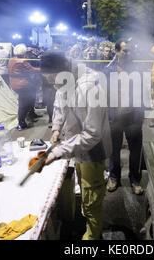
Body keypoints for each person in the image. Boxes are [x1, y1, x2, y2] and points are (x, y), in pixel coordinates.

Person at [42, 53, 112, 240]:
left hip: (93, 150)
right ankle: (88, 220)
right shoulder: (65, 80)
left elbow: (92, 134)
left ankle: (92, 236)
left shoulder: (91, 86)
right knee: (83, 187)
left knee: (92, 197)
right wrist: (56, 128)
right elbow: (59, 104)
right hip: (77, 147)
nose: (52, 85)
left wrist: (59, 151)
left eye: (52, 79)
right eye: (48, 80)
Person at [105, 39, 145, 195]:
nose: (129, 53)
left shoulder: (137, 69)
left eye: (129, 51)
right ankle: (114, 177)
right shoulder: (108, 69)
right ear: (116, 51)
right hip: (114, 118)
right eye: (125, 51)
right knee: (113, 150)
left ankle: (135, 180)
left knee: (135, 151)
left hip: (133, 117)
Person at [8, 44, 40, 131]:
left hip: (14, 84)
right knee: (23, 105)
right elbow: (32, 70)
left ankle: (29, 116)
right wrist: (42, 68)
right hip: (23, 85)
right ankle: (21, 123)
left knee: (27, 101)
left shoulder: (12, 59)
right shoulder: (22, 61)